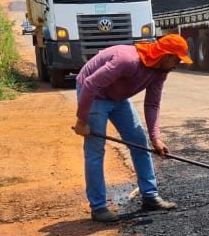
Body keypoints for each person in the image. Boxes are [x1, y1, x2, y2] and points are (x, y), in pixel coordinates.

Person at [72, 33, 192, 223]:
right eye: (177, 59)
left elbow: (152, 104)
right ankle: (98, 207)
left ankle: (150, 196)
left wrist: (156, 138)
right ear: (166, 55)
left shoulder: (161, 72)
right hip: (95, 95)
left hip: (118, 98)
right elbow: (90, 83)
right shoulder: (127, 60)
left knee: (139, 143)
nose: (177, 65)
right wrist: (81, 121)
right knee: (95, 149)